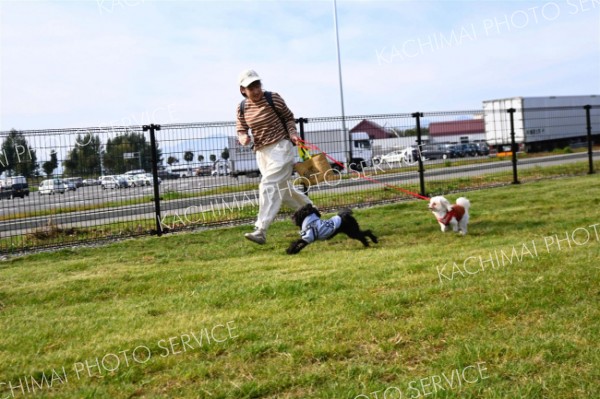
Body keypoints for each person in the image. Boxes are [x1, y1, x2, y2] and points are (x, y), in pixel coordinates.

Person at [236, 69, 312, 245]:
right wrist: (243, 137)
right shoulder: (241, 107)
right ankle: (312, 215)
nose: (256, 90)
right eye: (250, 87)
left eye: (257, 85)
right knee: (284, 193)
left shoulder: (273, 98)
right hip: (262, 153)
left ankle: (261, 229)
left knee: (268, 185)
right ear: (243, 90)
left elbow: (288, 118)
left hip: (281, 148)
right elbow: (241, 128)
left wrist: (292, 133)